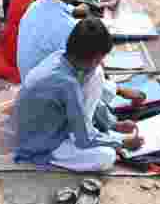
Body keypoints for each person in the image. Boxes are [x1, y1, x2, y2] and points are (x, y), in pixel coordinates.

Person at [17, 0, 144, 121]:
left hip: (27, 87)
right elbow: (85, 74)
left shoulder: (34, 7)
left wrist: (73, 10)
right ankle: (107, 130)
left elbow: (55, 14)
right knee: (96, 83)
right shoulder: (70, 29)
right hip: (46, 104)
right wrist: (120, 91)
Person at [14, 19, 143, 172]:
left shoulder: (59, 57)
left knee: (97, 74)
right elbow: (84, 139)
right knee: (107, 156)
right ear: (96, 58)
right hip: (44, 143)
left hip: (42, 128)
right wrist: (121, 142)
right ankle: (54, 159)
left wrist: (112, 124)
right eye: (101, 59)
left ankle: (98, 132)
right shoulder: (68, 84)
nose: (101, 63)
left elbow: (85, 100)